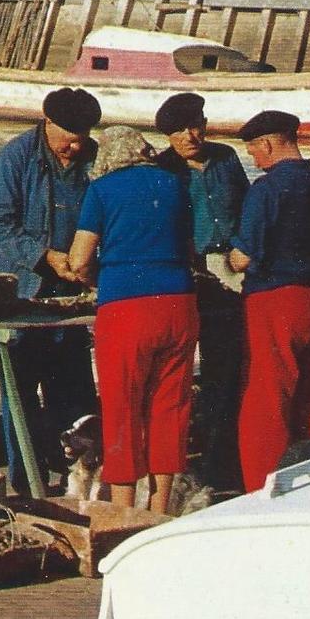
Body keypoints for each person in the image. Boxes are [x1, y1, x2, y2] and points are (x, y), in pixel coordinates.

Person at [68, 126, 198, 514]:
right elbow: (190, 248)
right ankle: (158, 511)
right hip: (178, 304)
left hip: (126, 307)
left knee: (123, 409)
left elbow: (78, 259)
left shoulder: (102, 191)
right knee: (170, 408)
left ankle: (124, 513)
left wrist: (95, 279)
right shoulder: (175, 185)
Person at [0, 88, 101, 494]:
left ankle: (78, 481)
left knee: (73, 389)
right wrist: (44, 256)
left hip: (72, 297)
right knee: (19, 393)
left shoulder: (93, 159)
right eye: (69, 137)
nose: (76, 146)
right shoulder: (15, 157)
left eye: (83, 138)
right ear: (47, 123)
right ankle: (24, 485)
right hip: (22, 291)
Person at [228, 111, 310, 493]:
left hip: (275, 298)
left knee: (267, 397)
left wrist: (225, 261)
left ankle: (262, 488)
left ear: (266, 144)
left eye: (254, 152)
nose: (255, 160)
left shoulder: (267, 188)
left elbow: (245, 255)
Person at [155, 92, 249, 488]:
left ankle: (222, 461)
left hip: (230, 266)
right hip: (185, 270)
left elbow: (247, 208)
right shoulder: (162, 168)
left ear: (205, 125)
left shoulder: (226, 158)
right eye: (179, 131)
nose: (189, 136)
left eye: (195, 126)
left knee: (226, 366)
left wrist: (242, 252)